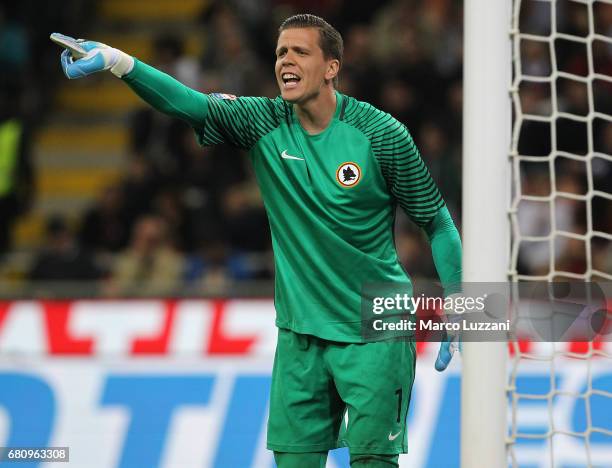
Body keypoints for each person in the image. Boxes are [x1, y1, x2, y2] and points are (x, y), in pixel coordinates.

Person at [55, 14, 462, 467]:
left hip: (376, 327)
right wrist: (117, 60)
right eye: (280, 52)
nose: (285, 60)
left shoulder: (382, 134)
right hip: (299, 333)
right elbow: (188, 104)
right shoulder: (262, 121)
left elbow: (438, 223)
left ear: (331, 67)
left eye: (299, 51)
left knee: (372, 462)